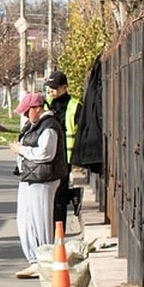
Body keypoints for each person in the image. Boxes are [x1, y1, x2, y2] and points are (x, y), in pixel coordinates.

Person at [10, 91, 66, 279]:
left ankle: (47, 260)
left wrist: (21, 150)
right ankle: (35, 261)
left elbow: (46, 154)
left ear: (37, 108)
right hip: (29, 177)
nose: (26, 116)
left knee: (41, 221)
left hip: (44, 180)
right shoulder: (33, 125)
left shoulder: (49, 126)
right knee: (25, 220)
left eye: (27, 112)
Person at [44, 71, 83, 224]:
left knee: (59, 196)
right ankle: (72, 195)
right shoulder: (47, 103)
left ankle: (59, 231)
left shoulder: (74, 105)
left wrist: (78, 160)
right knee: (53, 194)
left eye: (54, 88)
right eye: (49, 87)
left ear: (64, 87)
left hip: (67, 157)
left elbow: (81, 131)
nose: (50, 91)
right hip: (50, 155)